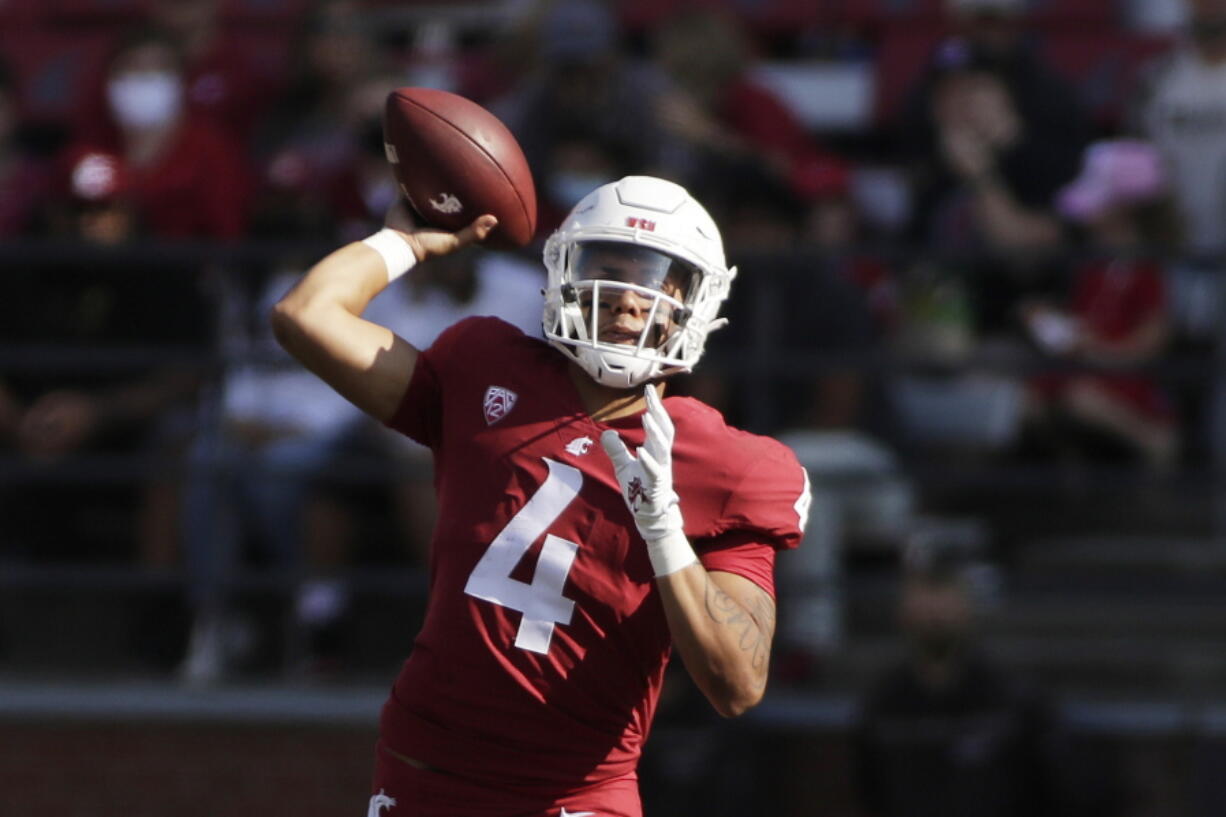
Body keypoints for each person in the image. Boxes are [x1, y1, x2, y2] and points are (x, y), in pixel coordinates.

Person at [271, 175, 811, 816]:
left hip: (576, 795)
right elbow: (305, 315)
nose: (629, 299)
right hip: (427, 769)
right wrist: (406, 242)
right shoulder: (485, 366)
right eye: (609, 268)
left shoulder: (729, 465)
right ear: (562, 272)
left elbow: (738, 685)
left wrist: (664, 530)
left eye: (657, 282)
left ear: (696, 303)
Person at [852, 539, 1065, 817]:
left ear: (968, 602)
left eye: (944, 589)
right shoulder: (884, 707)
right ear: (903, 605)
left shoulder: (1013, 701)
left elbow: (1055, 792)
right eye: (924, 591)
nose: (934, 607)